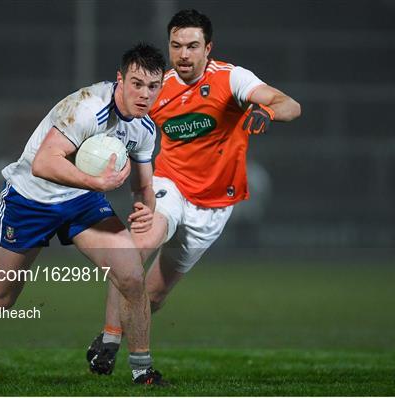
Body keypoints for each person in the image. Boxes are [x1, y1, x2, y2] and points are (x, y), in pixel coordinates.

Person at [86, 9, 301, 374]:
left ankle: (116, 329)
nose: (183, 54)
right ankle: (109, 339)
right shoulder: (159, 88)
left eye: (192, 46)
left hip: (214, 208)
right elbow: (122, 121)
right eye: (176, 45)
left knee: (153, 296)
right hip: (170, 187)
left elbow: (290, 105)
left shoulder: (231, 79)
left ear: (208, 48)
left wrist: (267, 111)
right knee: (136, 249)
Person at [0, 43, 167, 385]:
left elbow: (143, 187)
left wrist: (145, 209)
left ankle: (143, 371)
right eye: (136, 83)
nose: (144, 94)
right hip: (30, 199)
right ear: (120, 80)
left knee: (132, 276)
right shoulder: (87, 108)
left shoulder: (144, 129)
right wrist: (95, 181)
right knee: (2, 298)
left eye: (153, 86)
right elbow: (43, 163)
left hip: (82, 202)